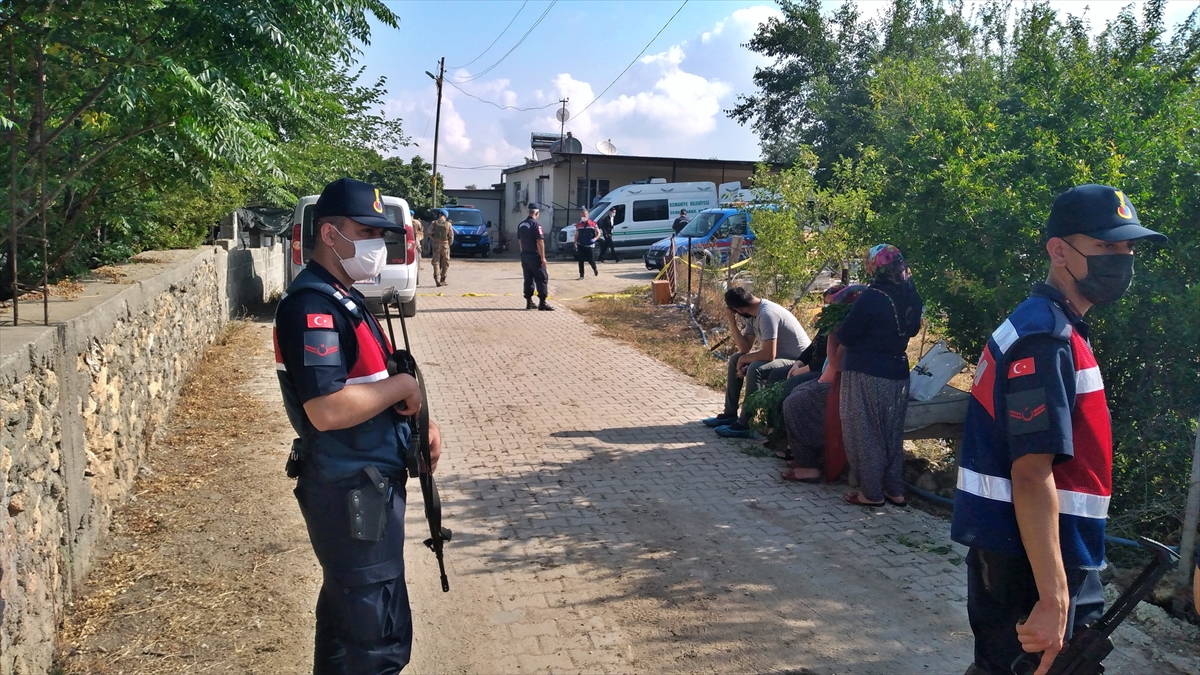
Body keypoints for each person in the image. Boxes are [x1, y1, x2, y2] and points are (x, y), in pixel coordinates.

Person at [950, 185, 1167, 675]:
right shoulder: (1044, 339)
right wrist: (1053, 597)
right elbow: (1031, 473)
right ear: (1058, 250)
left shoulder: (1044, 325)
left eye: (1127, 247)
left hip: (1024, 551)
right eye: (1106, 246)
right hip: (1033, 563)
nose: (1122, 258)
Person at [273, 177, 445, 674]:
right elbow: (327, 409)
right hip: (351, 489)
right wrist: (404, 391)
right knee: (375, 638)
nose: (377, 244)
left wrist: (419, 426)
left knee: (348, 629)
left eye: (381, 234)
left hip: (367, 481)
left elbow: (375, 375)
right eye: (365, 232)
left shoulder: (343, 296)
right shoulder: (312, 307)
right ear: (330, 235)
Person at [837, 244, 923, 508]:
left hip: (866, 372)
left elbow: (846, 336)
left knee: (865, 432)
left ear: (875, 266)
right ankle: (894, 490)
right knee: (891, 434)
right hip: (897, 374)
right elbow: (911, 331)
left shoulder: (872, 297)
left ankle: (871, 493)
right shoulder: (912, 297)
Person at [703, 287, 811, 439]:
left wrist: (744, 360)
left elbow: (769, 354)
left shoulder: (767, 314)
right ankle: (729, 414)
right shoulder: (752, 314)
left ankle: (746, 424)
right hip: (780, 358)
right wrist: (732, 323)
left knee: (755, 368)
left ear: (738, 309)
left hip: (798, 361)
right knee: (735, 359)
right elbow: (745, 348)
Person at [518, 203, 553, 311]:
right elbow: (540, 241)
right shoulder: (536, 225)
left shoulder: (521, 225)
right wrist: (543, 257)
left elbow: (520, 241)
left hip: (525, 255)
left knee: (528, 279)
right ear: (537, 213)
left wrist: (523, 253)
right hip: (534, 255)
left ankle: (529, 302)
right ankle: (542, 302)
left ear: (528, 212)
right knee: (541, 278)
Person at [428, 211, 454, 287]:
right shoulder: (448, 224)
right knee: (445, 262)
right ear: (446, 216)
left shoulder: (434, 223)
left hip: (436, 244)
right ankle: (443, 279)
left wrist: (434, 239)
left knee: (436, 262)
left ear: (439, 214)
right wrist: (449, 244)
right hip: (445, 245)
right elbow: (451, 236)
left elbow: (428, 233)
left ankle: (436, 278)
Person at [574, 208, 599, 279]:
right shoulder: (579, 225)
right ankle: (581, 275)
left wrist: (595, 239)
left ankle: (594, 268)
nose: (583, 217)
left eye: (585, 216)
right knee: (580, 260)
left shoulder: (593, 224)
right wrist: (575, 242)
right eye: (582, 216)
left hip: (590, 245)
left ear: (588, 216)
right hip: (581, 244)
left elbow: (598, 233)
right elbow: (576, 234)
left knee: (591, 260)